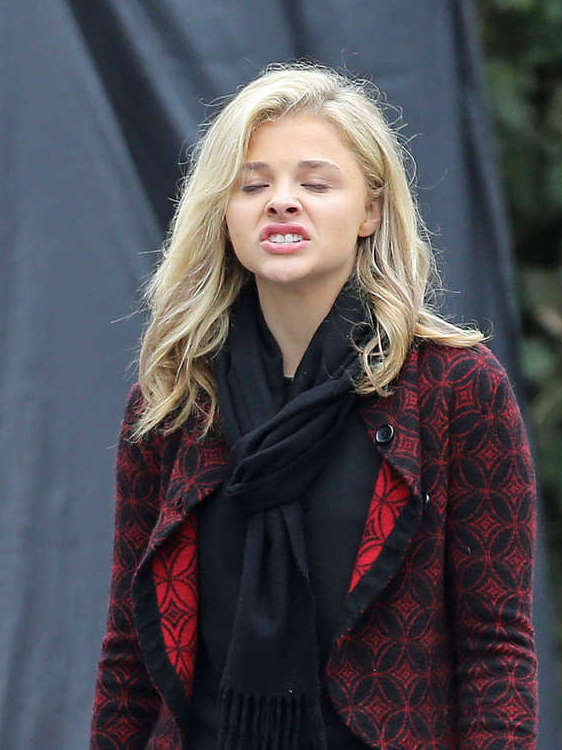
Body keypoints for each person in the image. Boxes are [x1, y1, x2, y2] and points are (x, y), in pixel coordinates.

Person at [90, 63, 537, 750]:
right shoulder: (174, 399)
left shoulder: (454, 389)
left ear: (370, 211)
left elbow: (494, 651)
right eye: (252, 185)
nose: (281, 202)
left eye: (316, 183)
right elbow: (131, 652)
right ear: (224, 214)